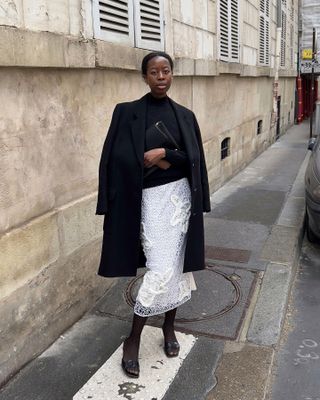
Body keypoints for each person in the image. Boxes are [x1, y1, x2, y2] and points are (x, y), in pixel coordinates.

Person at [96, 51, 211, 378]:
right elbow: (111, 159)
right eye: (154, 72)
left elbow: (194, 159)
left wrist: (164, 155)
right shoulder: (127, 112)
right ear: (144, 77)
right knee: (161, 269)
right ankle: (132, 339)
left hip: (180, 198)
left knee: (176, 266)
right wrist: (106, 202)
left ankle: (168, 328)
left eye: (166, 71)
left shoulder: (185, 115)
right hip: (146, 201)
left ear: (172, 75)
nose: (161, 76)